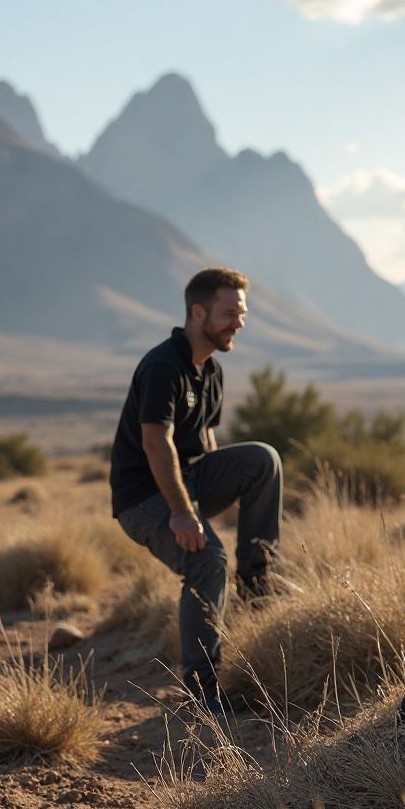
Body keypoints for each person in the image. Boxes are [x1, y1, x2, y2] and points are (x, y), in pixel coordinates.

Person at [109, 267, 283, 715]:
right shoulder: (163, 365)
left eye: (241, 315)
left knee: (262, 458)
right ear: (197, 311)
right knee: (208, 560)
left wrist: (218, 492)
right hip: (145, 498)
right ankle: (203, 694)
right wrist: (185, 514)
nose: (238, 324)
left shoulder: (211, 371)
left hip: (186, 482)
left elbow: (206, 445)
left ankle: (257, 584)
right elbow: (156, 442)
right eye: (229, 314)